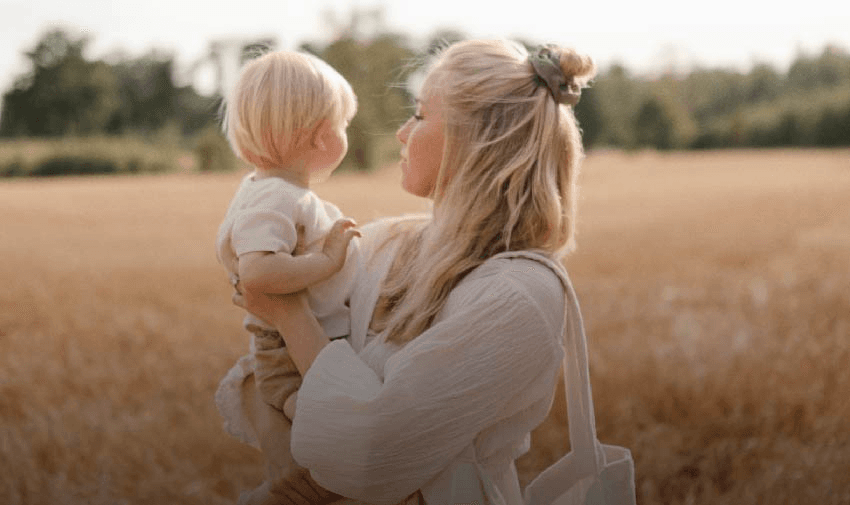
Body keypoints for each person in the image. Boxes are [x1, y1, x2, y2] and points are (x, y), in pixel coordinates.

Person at [233, 39, 597, 504]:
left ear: (479, 141)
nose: (403, 133)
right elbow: (259, 369)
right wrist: (295, 475)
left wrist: (290, 314)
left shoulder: (519, 296)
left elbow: (370, 459)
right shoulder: (386, 241)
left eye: (421, 115)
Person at [213, 50, 362, 504]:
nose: (346, 135)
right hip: (287, 355)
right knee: (328, 438)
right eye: (344, 125)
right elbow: (257, 273)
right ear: (318, 138)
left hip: (292, 348)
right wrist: (327, 262)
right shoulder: (276, 197)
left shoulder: (271, 191)